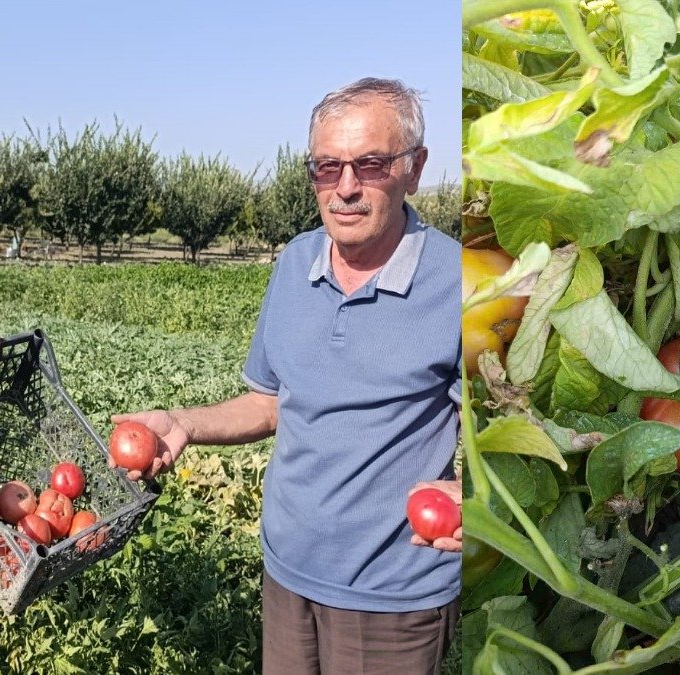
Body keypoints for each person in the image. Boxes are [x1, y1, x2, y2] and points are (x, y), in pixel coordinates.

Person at [114, 77, 461, 674]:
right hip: (286, 574)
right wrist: (183, 424)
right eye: (327, 168)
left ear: (414, 168)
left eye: (370, 165)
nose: (345, 188)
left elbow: (511, 430)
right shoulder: (296, 260)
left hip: (391, 600)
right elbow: (270, 402)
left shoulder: (459, 280)